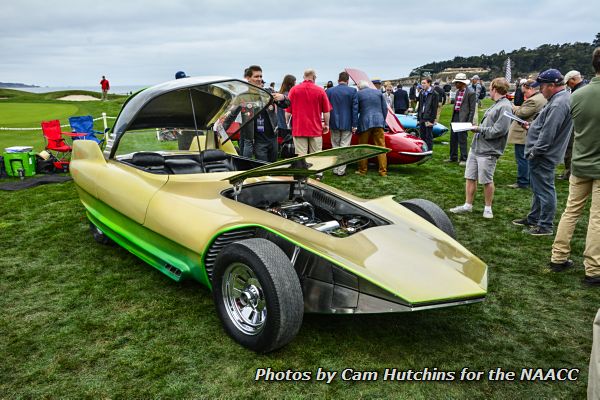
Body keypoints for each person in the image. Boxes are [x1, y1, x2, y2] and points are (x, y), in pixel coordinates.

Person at [548, 49, 600, 284]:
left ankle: (558, 257)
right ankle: (594, 269)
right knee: (597, 218)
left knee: (571, 211)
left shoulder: (576, 95)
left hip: (580, 161)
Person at [512, 69, 573, 236]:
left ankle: (545, 225)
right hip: (543, 153)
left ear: (552, 86)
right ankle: (534, 218)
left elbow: (549, 132)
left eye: (543, 86)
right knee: (539, 189)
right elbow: (547, 126)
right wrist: (532, 127)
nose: (540, 90)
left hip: (544, 154)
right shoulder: (560, 99)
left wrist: (534, 151)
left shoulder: (559, 103)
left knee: (545, 190)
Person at [449, 78, 512, 219]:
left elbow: (500, 130)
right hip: (477, 147)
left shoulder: (505, 106)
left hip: (489, 150)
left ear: (495, 89)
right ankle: (468, 205)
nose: (489, 90)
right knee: (470, 177)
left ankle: (488, 208)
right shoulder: (496, 104)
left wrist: (478, 129)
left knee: (486, 180)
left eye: (490, 87)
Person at [285, 69, 332, 174]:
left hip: (299, 127)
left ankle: (303, 174)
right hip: (315, 128)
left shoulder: (294, 90)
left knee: (301, 154)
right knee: (316, 154)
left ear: (303, 77)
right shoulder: (320, 90)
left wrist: (287, 124)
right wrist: (327, 125)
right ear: (314, 77)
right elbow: (326, 111)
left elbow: (287, 111)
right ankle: (318, 173)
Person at [240, 65, 290, 162]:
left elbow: (286, 104)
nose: (259, 79)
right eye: (256, 76)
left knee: (272, 165)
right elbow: (231, 114)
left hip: (272, 136)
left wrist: (283, 97)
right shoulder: (244, 96)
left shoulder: (268, 92)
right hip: (258, 139)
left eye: (261, 76)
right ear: (248, 78)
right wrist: (221, 131)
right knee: (262, 168)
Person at [506, 79, 547, 189]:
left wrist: (513, 107)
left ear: (531, 88)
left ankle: (523, 181)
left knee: (522, 159)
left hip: (523, 133)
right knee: (529, 159)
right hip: (533, 132)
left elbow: (521, 113)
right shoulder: (542, 97)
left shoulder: (532, 100)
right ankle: (529, 179)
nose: (524, 94)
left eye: (525, 92)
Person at [326, 71, 358, 176]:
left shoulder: (329, 91)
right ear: (348, 80)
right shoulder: (352, 91)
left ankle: (335, 168)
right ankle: (341, 170)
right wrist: (354, 124)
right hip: (347, 123)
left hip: (333, 121)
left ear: (338, 80)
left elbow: (326, 108)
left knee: (335, 146)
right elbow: (354, 109)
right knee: (344, 146)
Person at [560, 70, 588, 180]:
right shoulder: (584, 89)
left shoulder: (579, 91)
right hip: (581, 125)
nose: (568, 85)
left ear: (573, 80)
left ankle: (569, 173)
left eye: (568, 83)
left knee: (570, 149)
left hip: (575, 125)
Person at [356, 80, 388, 177]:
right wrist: (382, 119)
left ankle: (362, 170)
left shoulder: (359, 94)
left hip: (365, 122)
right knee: (381, 147)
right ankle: (383, 171)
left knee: (363, 147)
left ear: (359, 87)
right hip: (379, 121)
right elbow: (385, 109)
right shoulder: (378, 92)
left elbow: (356, 109)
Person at [445, 73, 476, 166]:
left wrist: (469, 122)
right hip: (455, 116)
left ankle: (464, 158)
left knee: (462, 139)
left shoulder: (471, 93)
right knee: (453, 138)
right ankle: (453, 157)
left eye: (457, 83)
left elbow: (472, 109)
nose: (455, 85)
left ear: (461, 83)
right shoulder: (458, 92)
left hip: (464, 118)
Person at [276, 74, 296, 158]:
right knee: (289, 143)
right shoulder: (289, 95)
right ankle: (288, 156)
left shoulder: (280, 94)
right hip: (288, 123)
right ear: (291, 84)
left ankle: (282, 154)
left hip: (280, 122)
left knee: (283, 142)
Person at [416, 77, 438, 151]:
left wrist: (432, 121)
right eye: (422, 83)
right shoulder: (422, 92)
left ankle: (429, 150)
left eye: (424, 83)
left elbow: (435, 108)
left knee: (428, 136)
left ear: (429, 83)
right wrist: (418, 118)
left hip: (428, 117)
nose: (422, 85)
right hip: (422, 116)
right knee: (422, 135)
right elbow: (420, 106)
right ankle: (423, 150)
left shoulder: (434, 94)